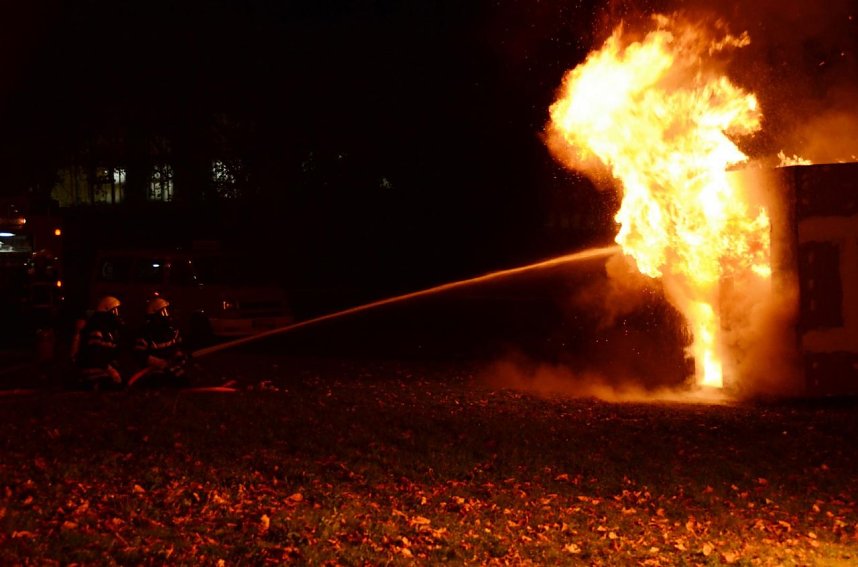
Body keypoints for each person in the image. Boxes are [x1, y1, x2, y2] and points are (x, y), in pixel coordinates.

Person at [131, 295, 190, 388]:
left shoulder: (171, 331)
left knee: (183, 382)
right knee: (159, 382)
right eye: (163, 312)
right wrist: (158, 362)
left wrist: (178, 355)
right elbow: (140, 355)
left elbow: (176, 347)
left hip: (170, 366)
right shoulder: (145, 333)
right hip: (152, 369)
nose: (167, 315)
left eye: (167, 311)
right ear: (155, 316)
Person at [71, 295, 124, 390]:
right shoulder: (97, 327)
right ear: (106, 310)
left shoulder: (107, 329)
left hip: (101, 365)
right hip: (90, 367)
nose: (117, 314)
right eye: (114, 310)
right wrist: (110, 370)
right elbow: (94, 355)